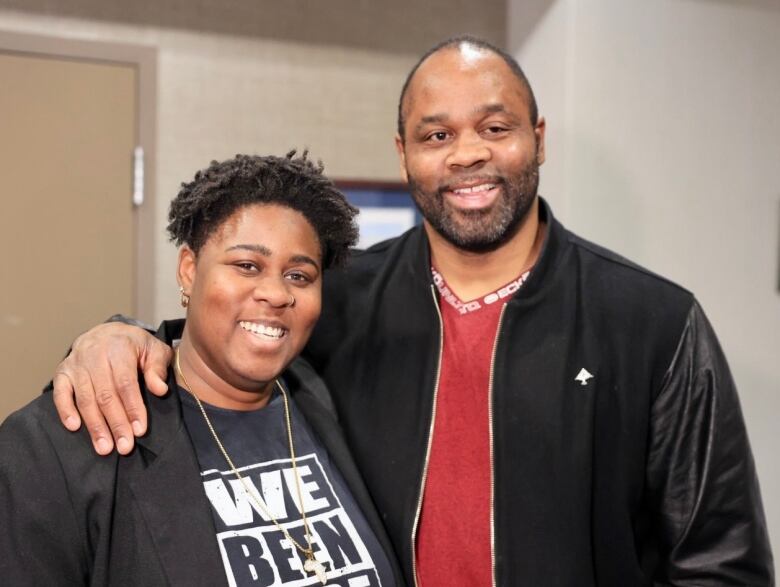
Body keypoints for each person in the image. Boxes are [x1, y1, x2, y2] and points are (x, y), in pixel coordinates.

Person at [47, 36, 773, 586]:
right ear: (404, 154)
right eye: (436, 135)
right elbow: (230, 341)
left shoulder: (653, 322)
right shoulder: (340, 301)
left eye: (496, 128)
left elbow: (721, 562)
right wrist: (125, 335)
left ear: (538, 140)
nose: (467, 155)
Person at [0, 152, 403, 586]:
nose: (275, 292)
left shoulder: (322, 395)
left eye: (299, 276)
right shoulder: (55, 443)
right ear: (189, 271)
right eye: (247, 265)